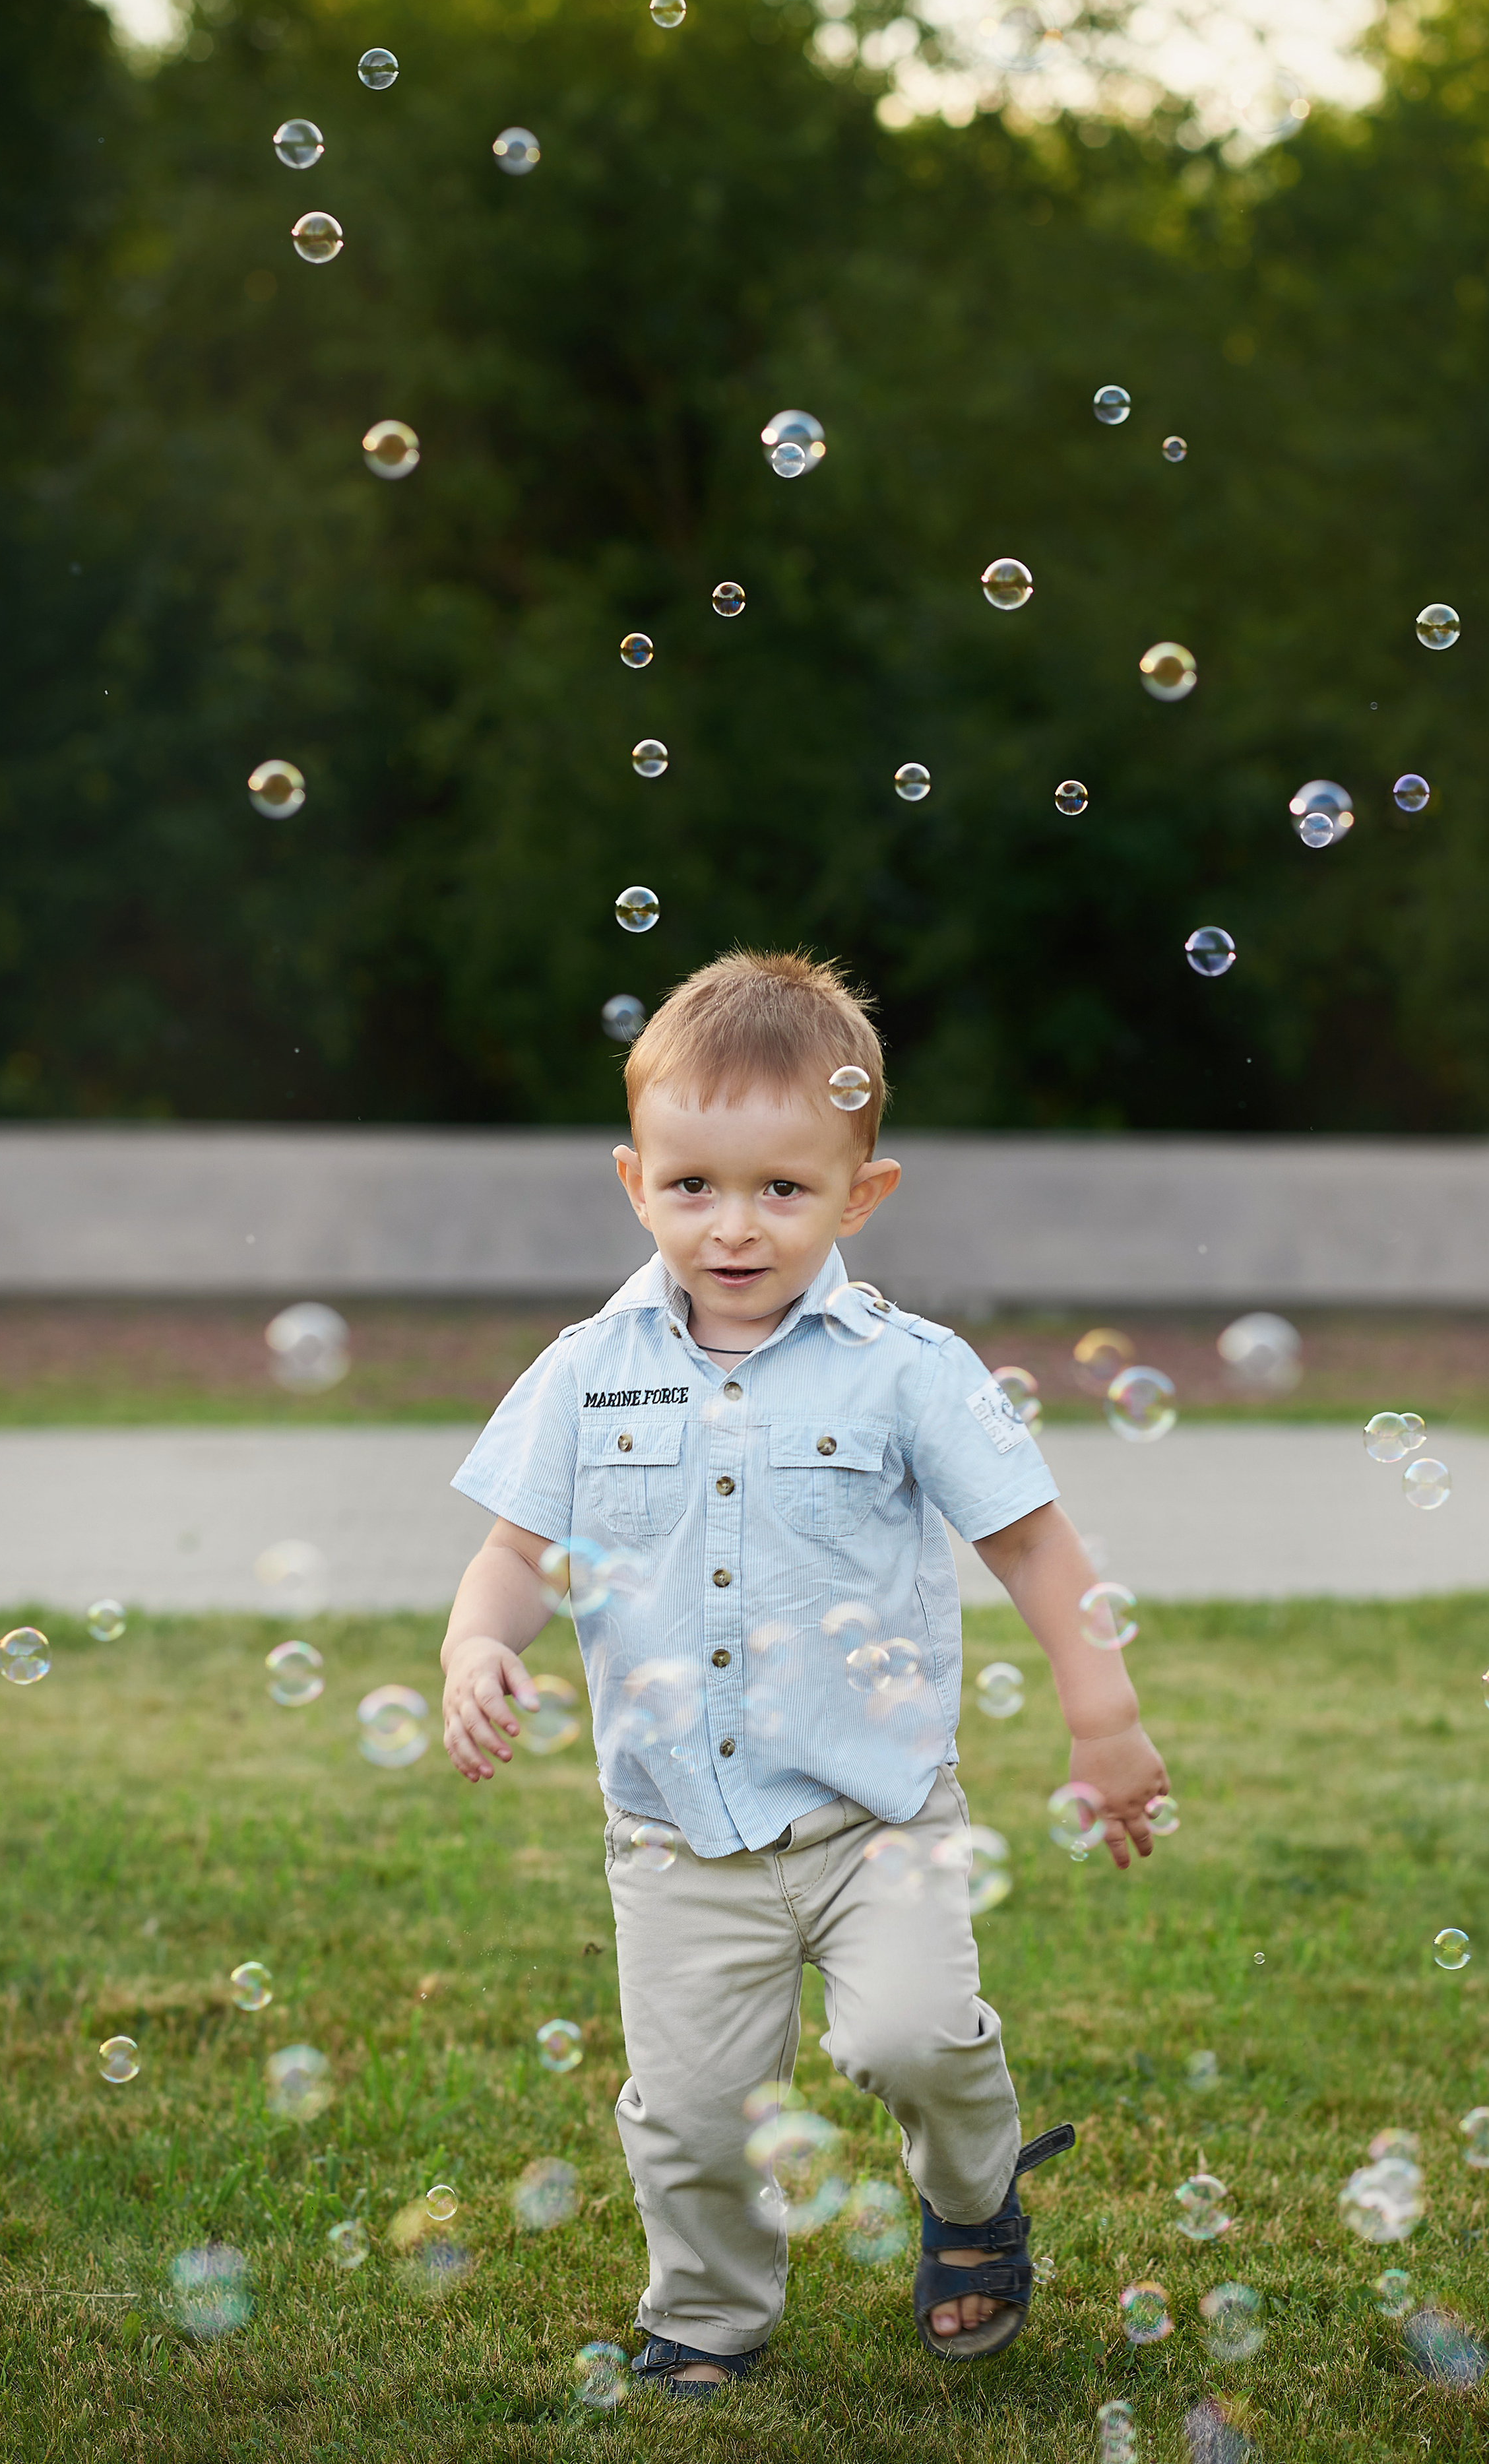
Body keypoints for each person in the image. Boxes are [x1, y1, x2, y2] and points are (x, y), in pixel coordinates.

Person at [440, 948, 1168, 2397]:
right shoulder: (588, 1370)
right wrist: (473, 1644)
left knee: (910, 2039)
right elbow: (520, 1554)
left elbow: (1031, 1546)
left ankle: (970, 2206)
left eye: (782, 1188)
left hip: (874, 1819)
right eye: (692, 1184)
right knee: (693, 2116)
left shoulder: (904, 1368)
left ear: (860, 1191)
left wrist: (1105, 1718)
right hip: (675, 1837)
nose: (732, 1225)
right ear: (632, 1180)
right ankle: (706, 2316)